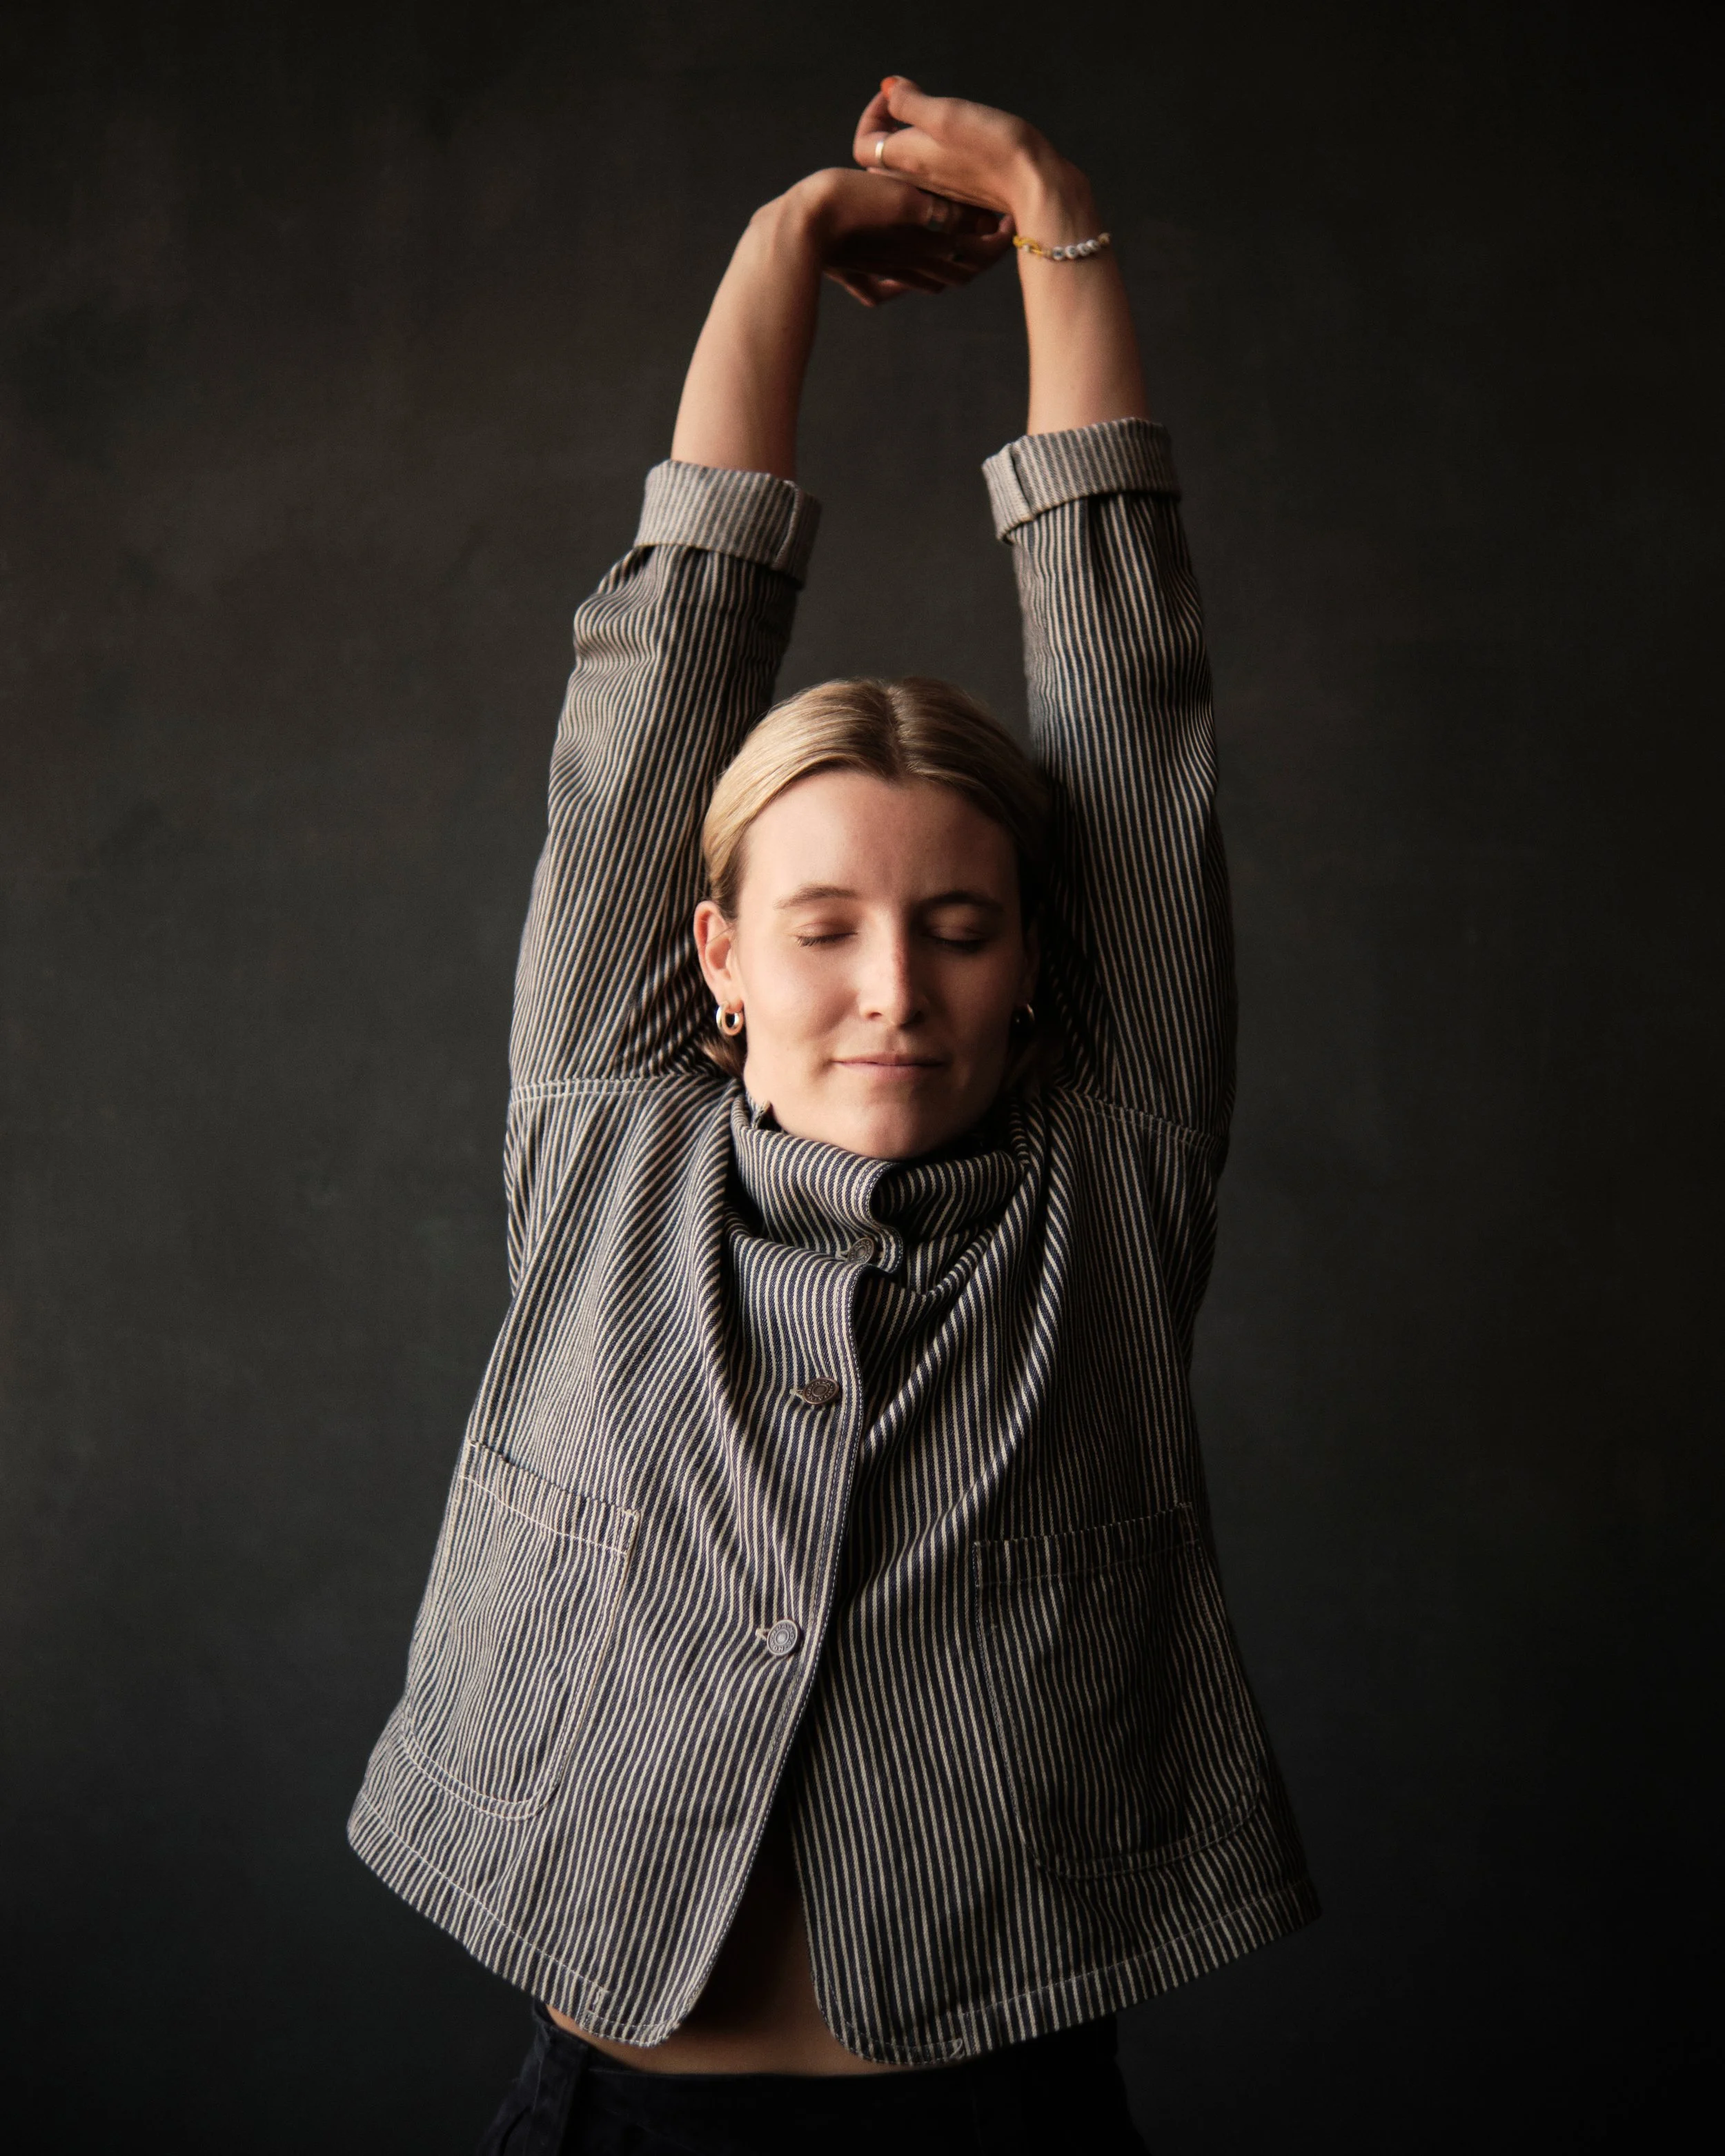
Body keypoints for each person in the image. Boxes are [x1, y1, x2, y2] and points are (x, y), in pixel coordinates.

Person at [348, 77, 1317, 2156]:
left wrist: (1059, 218)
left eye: (960, 926)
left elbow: (1127, 702)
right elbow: (660, 673)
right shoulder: (610, 1130)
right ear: (710, 957)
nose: (894, 985)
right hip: (599, 2114)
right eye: (823, 926)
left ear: (1034, 955)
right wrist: (777, 250)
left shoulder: (1109, 1170)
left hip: (1002, 2119)